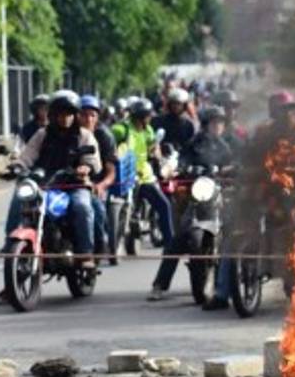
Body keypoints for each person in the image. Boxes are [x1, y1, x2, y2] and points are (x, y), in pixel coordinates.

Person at [0, 92, 101, 304]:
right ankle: (11, 257)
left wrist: (85, 167)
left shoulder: (84, 136)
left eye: (69, 114)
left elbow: (93, 160)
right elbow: (28, 155)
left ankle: (85, 255)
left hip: (73, 185)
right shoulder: (42, 134)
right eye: (61, 113)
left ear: (75, 115)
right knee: (19, 200)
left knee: (82, 207)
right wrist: (16, 167)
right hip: (45, 185)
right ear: (53, 115)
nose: (65, 118)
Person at [150, 106, 235, 301]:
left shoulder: (226, 146)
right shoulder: (194, 143)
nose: (218, 126)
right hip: (199, 195)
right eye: (214, 122)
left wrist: (231, 171)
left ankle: (232, 285)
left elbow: (235, 163)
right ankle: (159, 285)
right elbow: (182, 160)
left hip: (222, 193)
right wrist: (181, 168)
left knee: (234, 233)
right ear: (205, 124)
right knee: (179, 238)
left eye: (220, 122)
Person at [113, 99, 175, 279]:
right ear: (141, 116)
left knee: (164, 204)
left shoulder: (148, 130)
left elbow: (153, 147)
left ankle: (170, 244)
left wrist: (156, 153)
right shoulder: (122, 129)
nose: (149, 119)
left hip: (144, 176)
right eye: (147, 116)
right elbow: (109, 140)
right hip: (125, 175)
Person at [77, 96, 118, 262]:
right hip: (71, 183)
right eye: (84, 115)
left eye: (92, 115)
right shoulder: (71, 133)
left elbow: (111, 172)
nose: (88, 119)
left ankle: (100, 246)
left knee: (98, 210)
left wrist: (100, 186)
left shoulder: (104, 136)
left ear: (97, 117)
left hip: (97, 184)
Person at [153, 87, 198, 152]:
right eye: (173, 103)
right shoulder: (159, 120)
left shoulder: (188, 124)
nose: (175, 106)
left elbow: (190, 144)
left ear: (184, 106)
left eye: (179, 104)